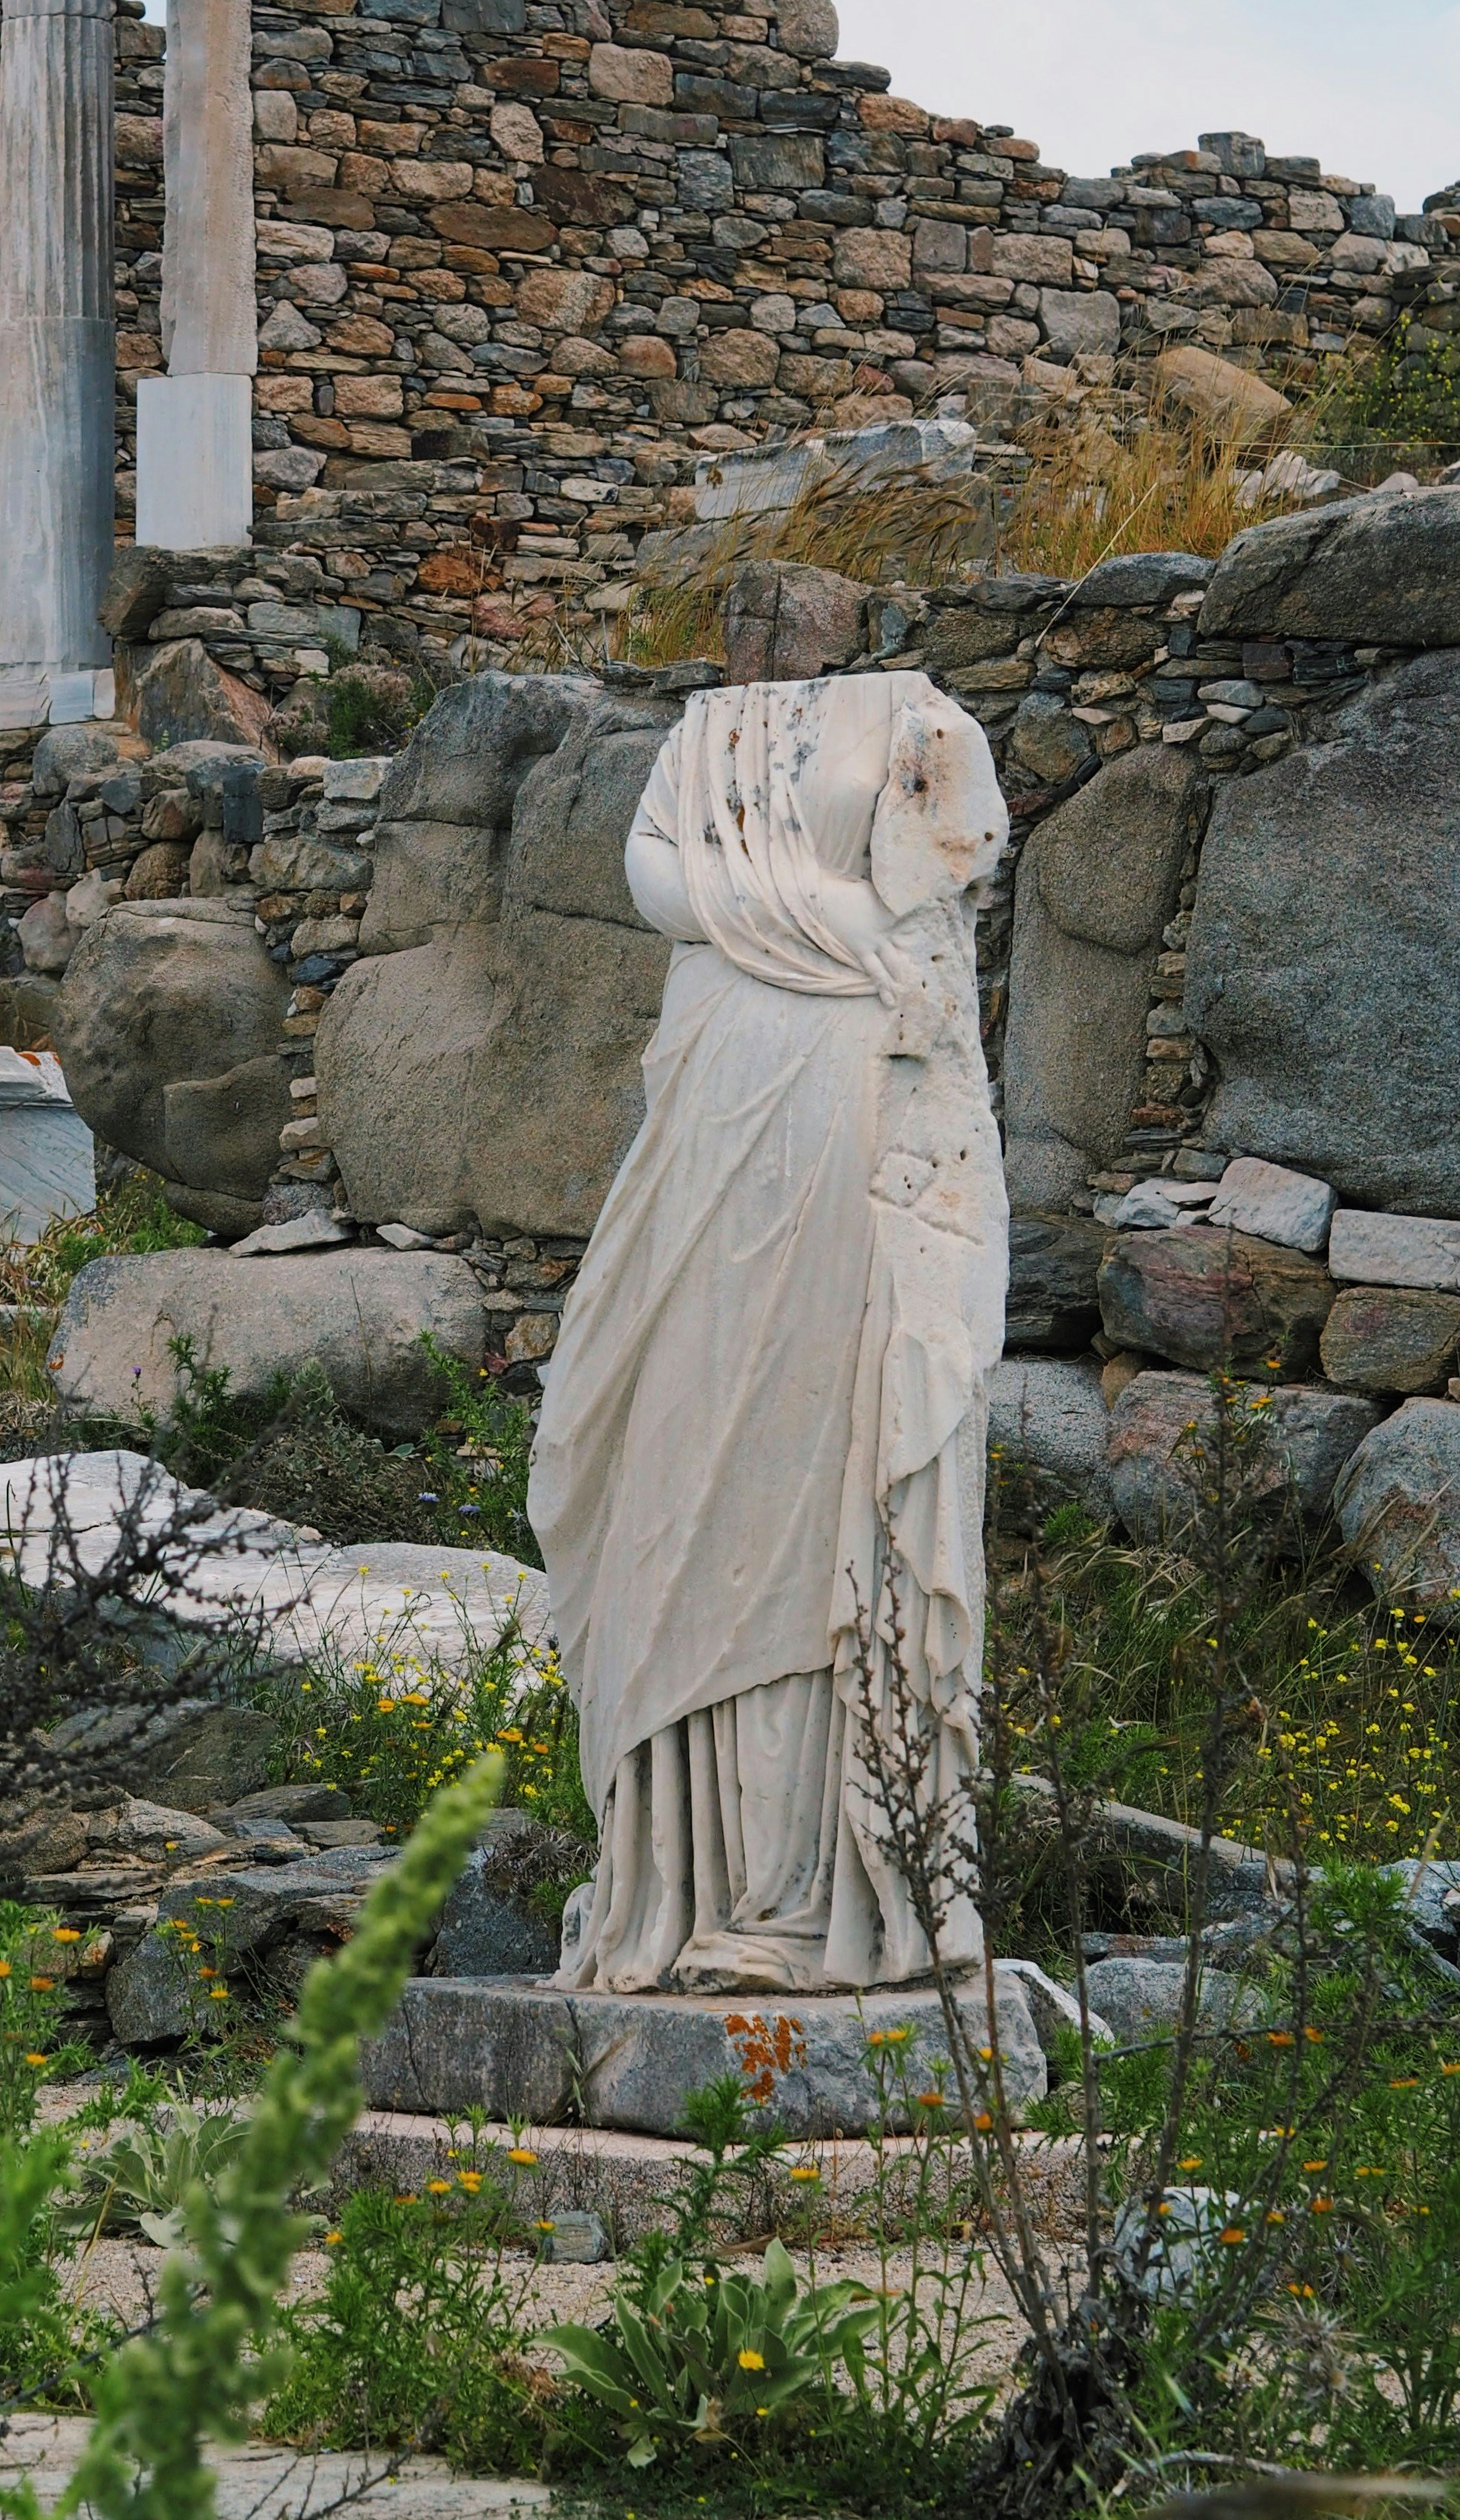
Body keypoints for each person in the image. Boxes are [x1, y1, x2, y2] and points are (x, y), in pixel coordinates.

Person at [527, 670, 1007, 1995]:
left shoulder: (925, 724)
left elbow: (924, 914)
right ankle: (682, 1890)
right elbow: (652, 874)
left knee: (818, 1483)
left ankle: (806, 1890)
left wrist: (756, 914)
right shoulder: (698, 732)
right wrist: (813, 914)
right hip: (710, 1101)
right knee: (668, 1471)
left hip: (853, 1117)